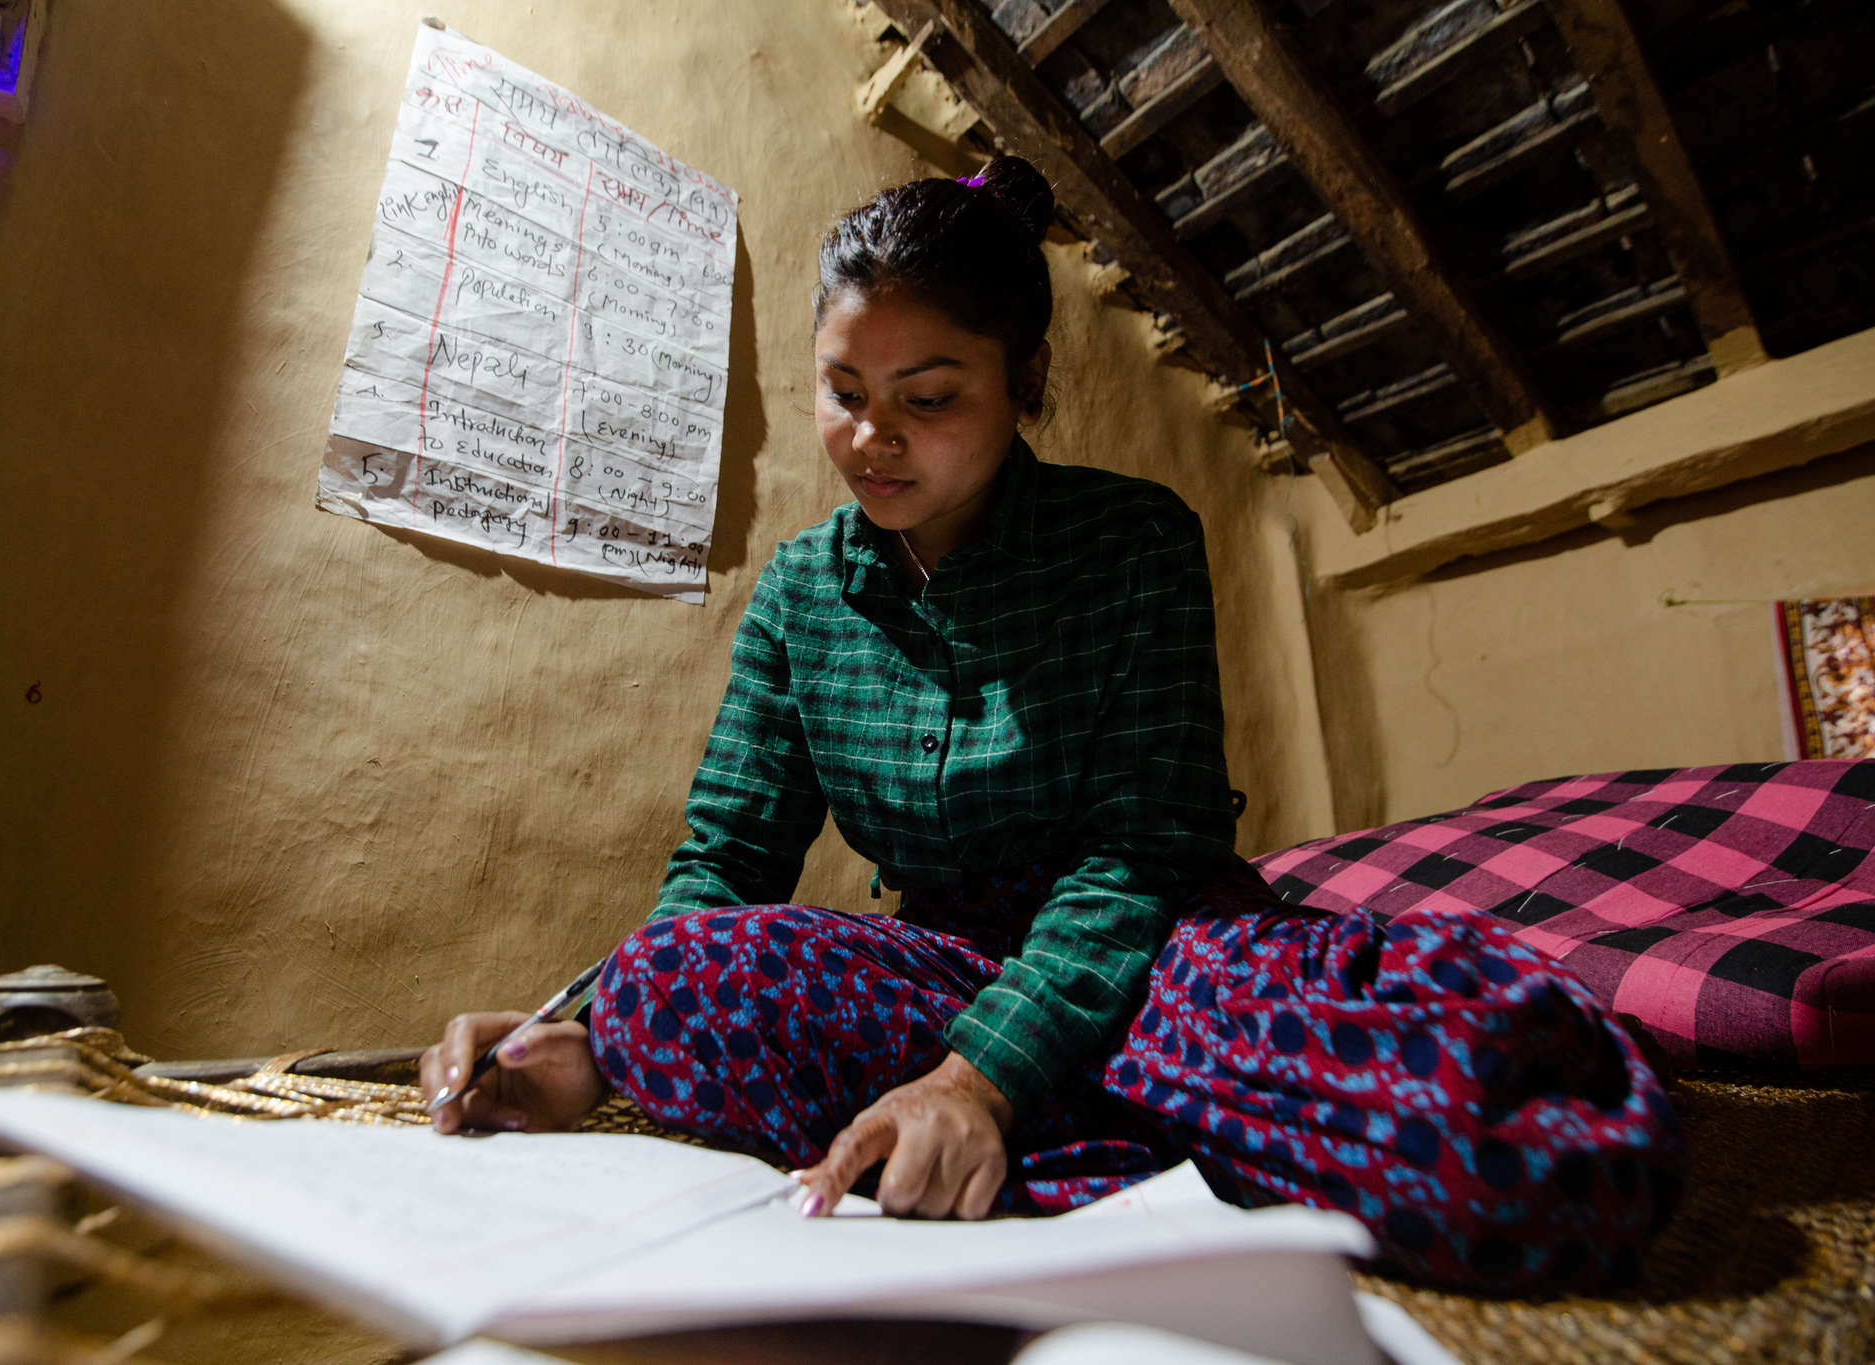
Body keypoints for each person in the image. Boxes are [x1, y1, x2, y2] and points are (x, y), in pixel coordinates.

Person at [420, 157, 1681, 1294]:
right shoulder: (801, 595)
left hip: (1151, 955)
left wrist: (978, 1079)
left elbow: (1140, 854)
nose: (873, 438)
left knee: (1504, 1164)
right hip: (938, 966)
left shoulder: (1132, 541)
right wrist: (579, 1036)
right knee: (673, 983)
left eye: (928, 396)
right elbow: (727, 857)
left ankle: (1014, 1127)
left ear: (1022, 383)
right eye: (843, 391)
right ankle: (1140, 1134)